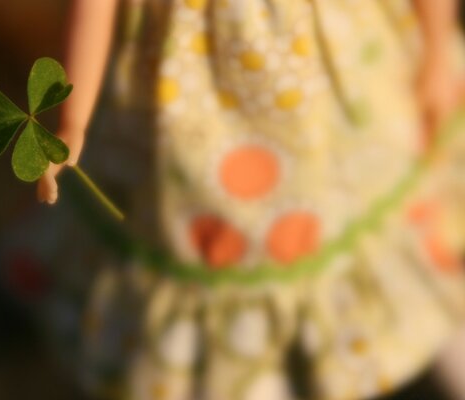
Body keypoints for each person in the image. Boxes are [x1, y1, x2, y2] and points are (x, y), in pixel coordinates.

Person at [31, 1, 465, 399]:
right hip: (180, 124)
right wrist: (72, 120)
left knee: (389, 201)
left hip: (341, 81)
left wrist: (435, 54)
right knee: (217, 259)